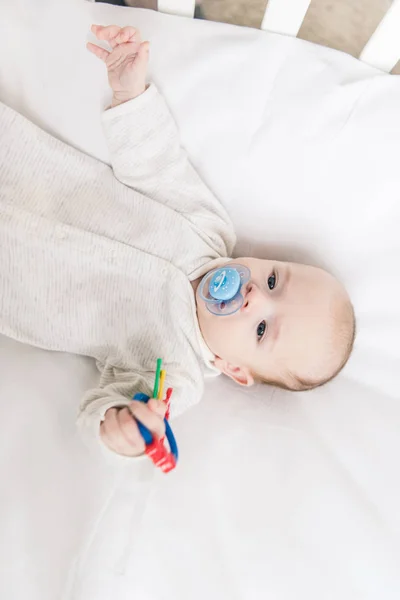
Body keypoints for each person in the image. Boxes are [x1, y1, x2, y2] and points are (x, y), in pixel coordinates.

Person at [0, 24, 355, 461]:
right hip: (26, 168)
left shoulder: (175, 372)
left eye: (262, 329)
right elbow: (156, 164)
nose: (253, 297)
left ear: (235, 370)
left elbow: (120, 406)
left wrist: (126, 426)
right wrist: (130, 91)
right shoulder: (209, 229)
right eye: (274, 279)